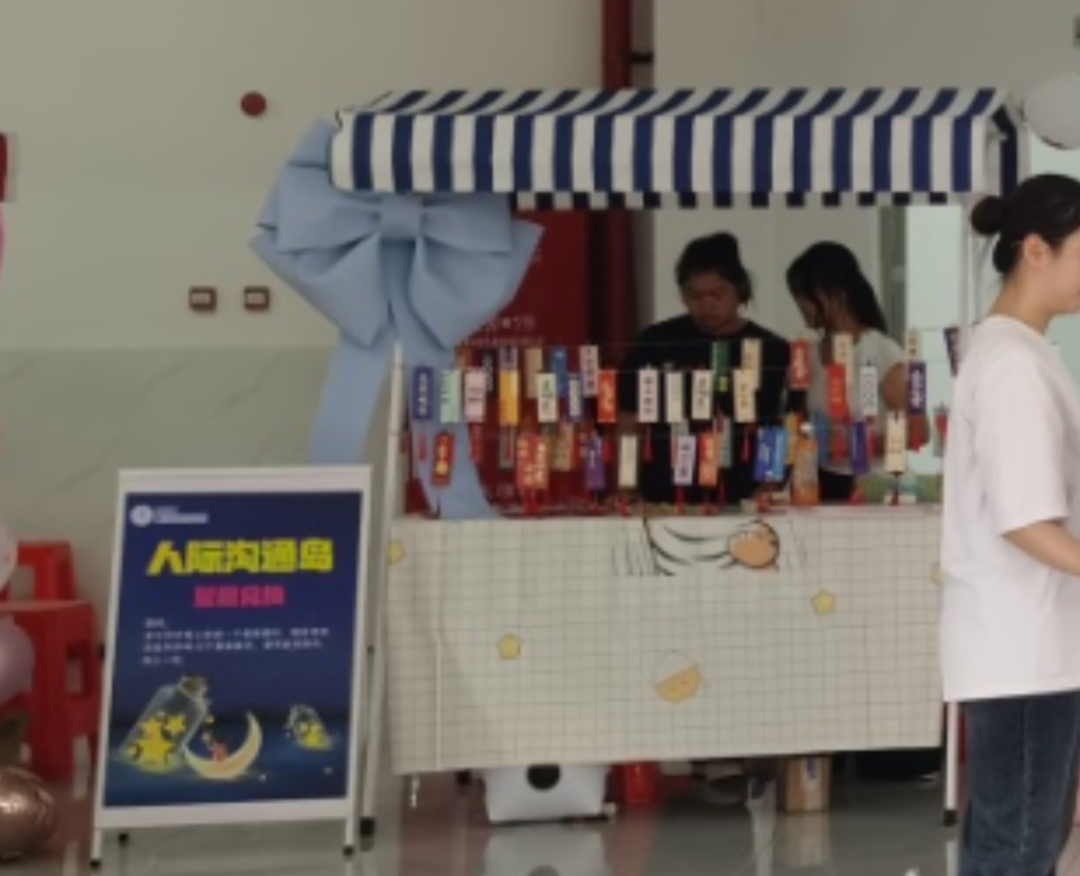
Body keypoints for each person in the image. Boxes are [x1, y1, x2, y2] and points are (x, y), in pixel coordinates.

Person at [941, 174, 1080, 876]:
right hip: (1022, 650)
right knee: (1017, 852)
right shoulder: (1012, 364)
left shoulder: (1023, 353)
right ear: (1035, 250)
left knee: (1017, 844)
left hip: (1031, 645)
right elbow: (1024, 521)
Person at [619, 232, 791, 508]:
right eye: (695, 295)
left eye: (717, 294)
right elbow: (629, 418)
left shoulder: (772, 348)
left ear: (740, 289)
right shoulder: (656, 341)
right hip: (663, 494)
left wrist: (770, 484)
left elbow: (781, 425)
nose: (706, 305)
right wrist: (625, 485)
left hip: (743, 496)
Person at [786, 242, 925, 502]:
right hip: (821, 481)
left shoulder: (883, 352)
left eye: (805, 295)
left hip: (876, 485)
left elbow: (918, 431)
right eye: (797, 297)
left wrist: (855, 445)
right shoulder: (808, 353)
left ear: (836, 293)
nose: (801, 305)